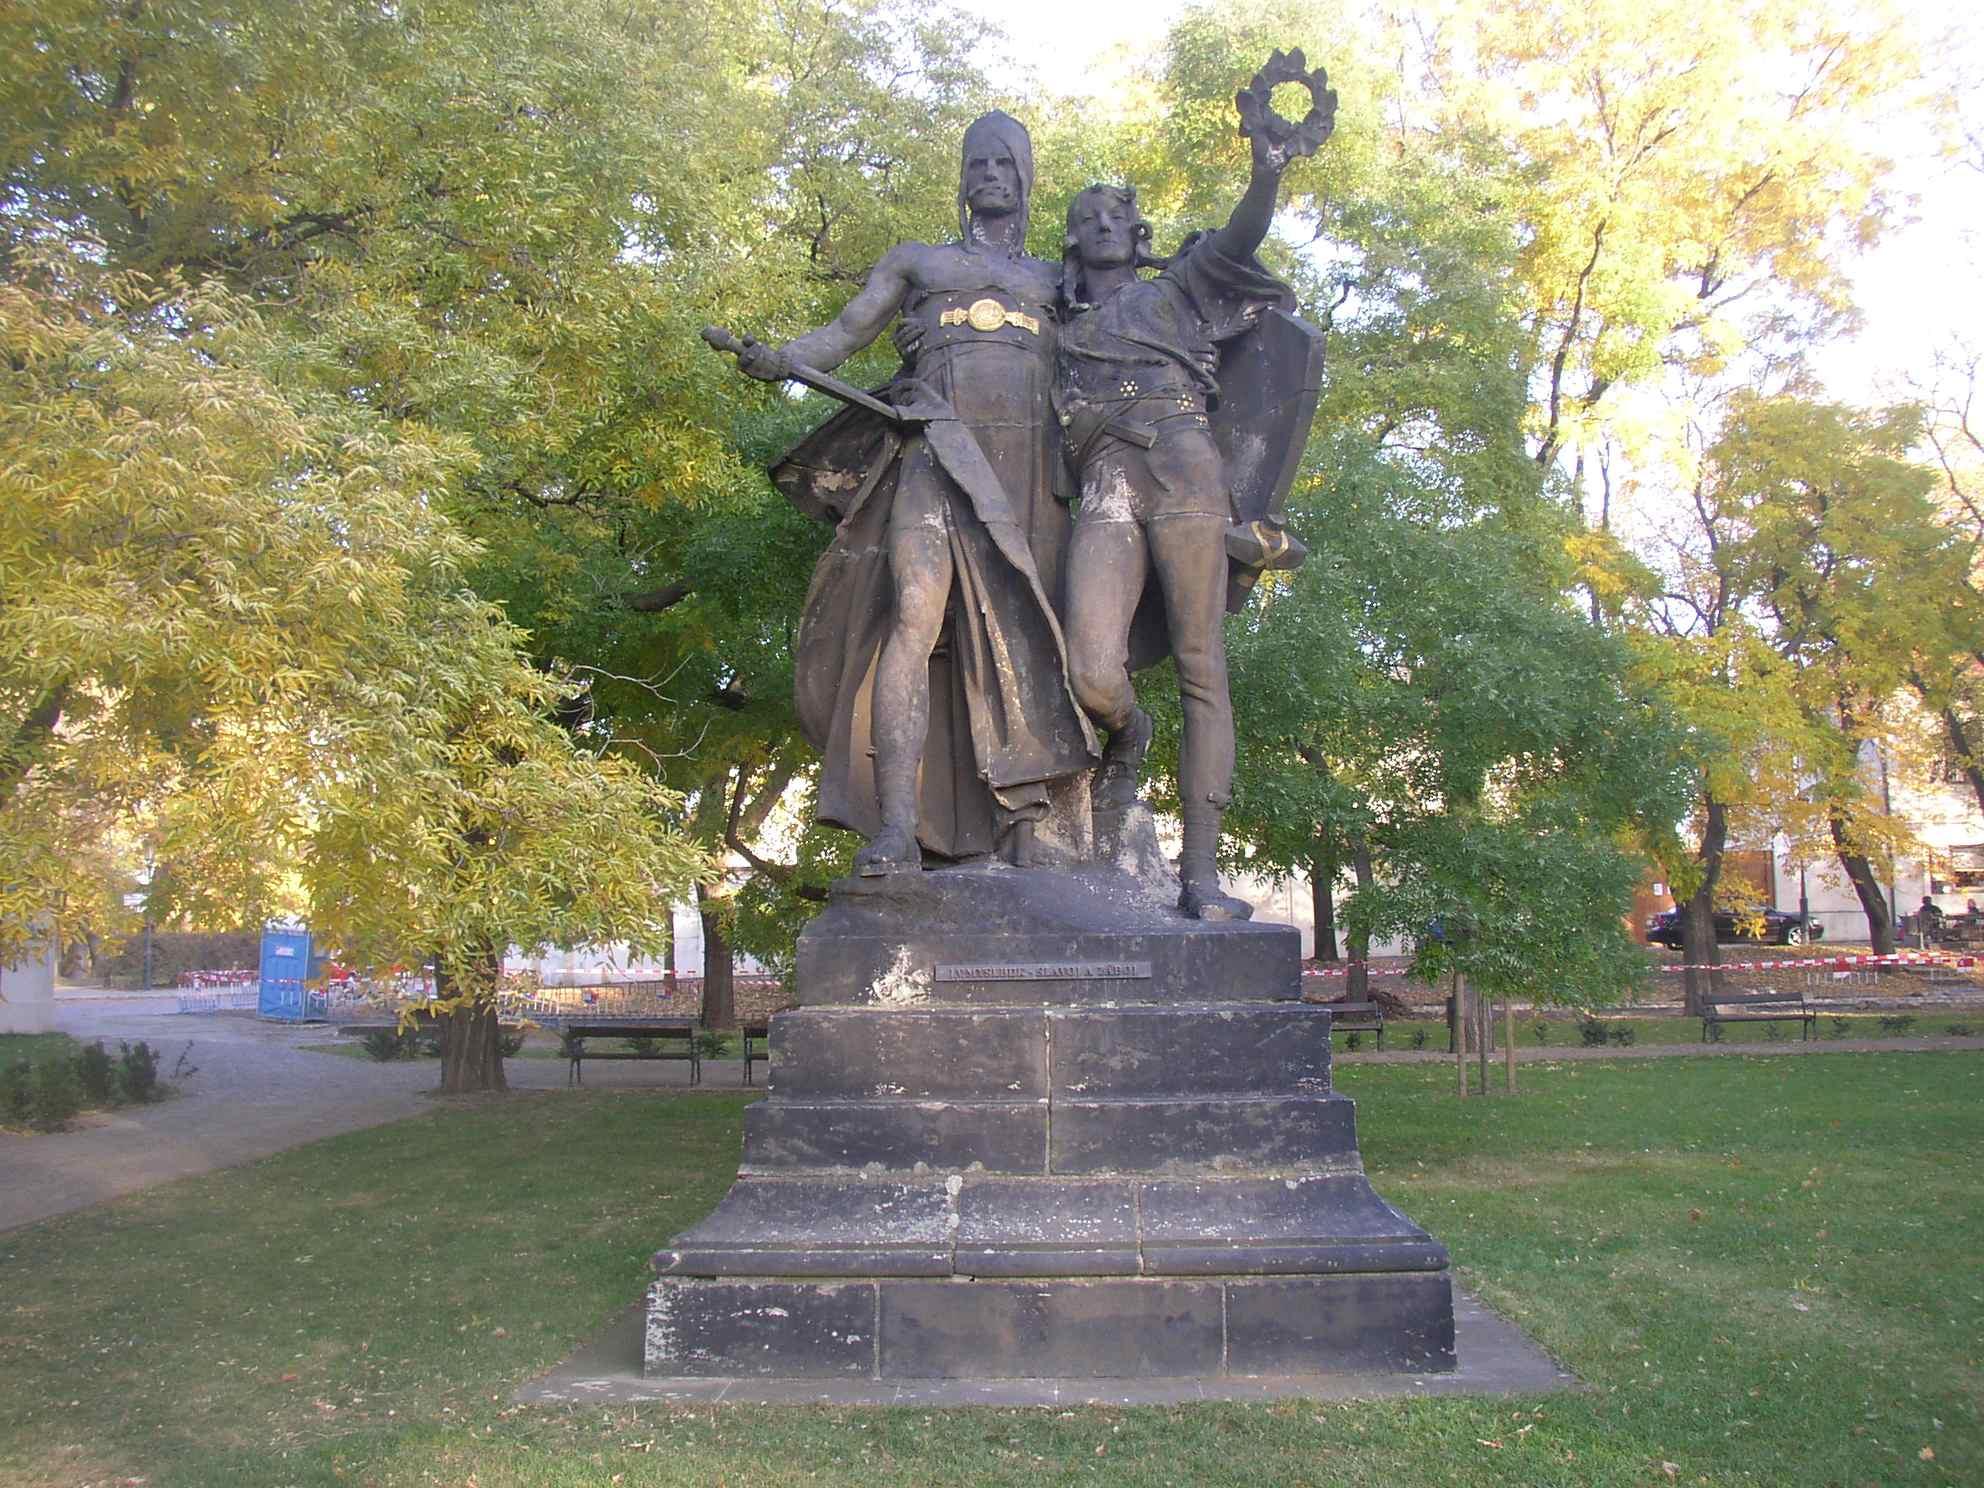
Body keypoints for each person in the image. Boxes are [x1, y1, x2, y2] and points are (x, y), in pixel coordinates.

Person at [733, 112, 1095, 873]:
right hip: (934, 453)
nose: (990, 174)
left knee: (1028, 632)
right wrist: (784, 357)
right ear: (961, 179)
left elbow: (1116, 348)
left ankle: (1026, 818)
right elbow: (844, 330)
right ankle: (897, 825)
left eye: (1004, 163)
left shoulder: (1059, 282)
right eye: (976, 164)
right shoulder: (918, 263)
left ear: (1026, 177)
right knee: (913, 617)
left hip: (1030, 469)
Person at [1053, 53, 1335, 918]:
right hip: (1104, 483)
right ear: (1071, 238)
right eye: (1088, 216)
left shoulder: (1179, 287)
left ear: (1137, 236)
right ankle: (1127, 740)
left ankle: (1201, 879)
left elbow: (1243, 233)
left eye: (1119, 215)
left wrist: (1267, 168)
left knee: (1202, 665)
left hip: (1182, 465)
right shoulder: (1050, 323)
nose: (1106, 224)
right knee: (1090, 669)